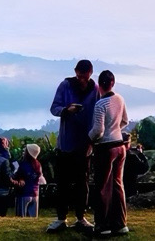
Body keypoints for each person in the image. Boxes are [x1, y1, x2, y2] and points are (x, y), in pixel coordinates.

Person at [47, 59, 101, 233]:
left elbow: (98, 115)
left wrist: (92, 141)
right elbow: (54, 108)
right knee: (62, 183)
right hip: (65, 143)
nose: (82, 80)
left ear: (90, 74)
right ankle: (61, 218)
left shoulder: (95, 90)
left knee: (82, 183)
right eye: (79, 76)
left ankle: (81, 218)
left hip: (84, 144)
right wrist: (66, 110)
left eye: (84, 77)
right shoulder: (65, 85)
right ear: (75, 72)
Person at [88, 70, 130, 236]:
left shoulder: (100, 104)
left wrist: (89, 140)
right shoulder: (120, 99)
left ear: (99, 85)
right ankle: (120, 224)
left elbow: (98, 130)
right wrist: (115, 130)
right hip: (120, 146)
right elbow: (125, 120)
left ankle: (102, 225)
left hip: (105, 148)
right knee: (118, 185)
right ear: (113, 83)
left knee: (102, 187)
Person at [13, 143, 44, 218]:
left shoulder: (23, 164)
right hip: (35, 194)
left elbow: (16, 176)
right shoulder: (38, 165)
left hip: (23, 194)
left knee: (21, 219)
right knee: (32, 221)